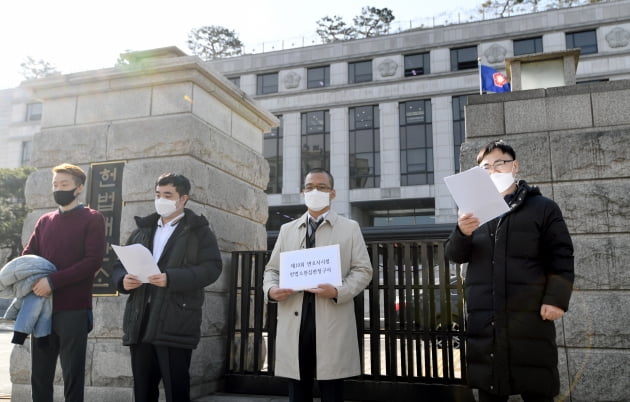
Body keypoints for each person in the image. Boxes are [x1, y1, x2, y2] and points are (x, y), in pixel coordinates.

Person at [445, 141, 574, 402]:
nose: (493, 170)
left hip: (530, 318)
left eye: (499, 163)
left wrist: (556, 299)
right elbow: (454, 255)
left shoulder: (543, 208)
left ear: (514, 166)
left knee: (536, 388)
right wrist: (462, 233)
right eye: (485, 167)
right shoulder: (473, 212)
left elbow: (561, 255)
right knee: (489, 389)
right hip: (486, 319)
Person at [263, 168, 373, 402]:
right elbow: (272, 269)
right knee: (297, 390)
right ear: (303, 192)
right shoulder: (287, 230)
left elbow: (364, 270)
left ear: (333, 193)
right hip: (295, 319)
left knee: (332, 390)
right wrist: (271, 290)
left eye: (321, 187)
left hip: (331, 318)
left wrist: (338, 291)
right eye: (309, 187)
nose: (315, 191)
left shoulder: (349, 228)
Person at [111, 173, 222, 402]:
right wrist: (122, 280)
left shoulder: (198, 231)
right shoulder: (143, 230)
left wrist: (171, 278)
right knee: (142, 389)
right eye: (158, 194)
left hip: (175, 319)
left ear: (183, 199)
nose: (161, 199)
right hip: (141, 319)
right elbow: (118, 265)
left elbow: (212, 268)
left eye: (168, 195)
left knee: (176, 387)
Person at [23, 163, 106, 402]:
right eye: (55, 184)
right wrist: (30, 279)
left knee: (72, 375)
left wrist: (52, 281)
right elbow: (28, 255)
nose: (58, 189)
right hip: (42, 309)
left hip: (74, 310)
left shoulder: (93, 218)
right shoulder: (45, 221)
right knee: (39, 375)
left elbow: (92, 261)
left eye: (64, 184)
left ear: (78, 188)